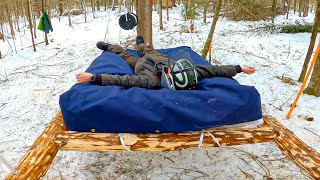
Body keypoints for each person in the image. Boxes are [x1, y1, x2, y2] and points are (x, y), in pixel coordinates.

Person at [76, 35, 255, 90]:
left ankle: (108, 46)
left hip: (139, 65)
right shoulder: (189, 70)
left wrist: (94, 77)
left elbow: (122, 80)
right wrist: (239, 68)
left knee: (124, 55)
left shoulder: (150, 82)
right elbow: (214, 70)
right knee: (146, 48)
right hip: (158, 57)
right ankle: (140, 44)